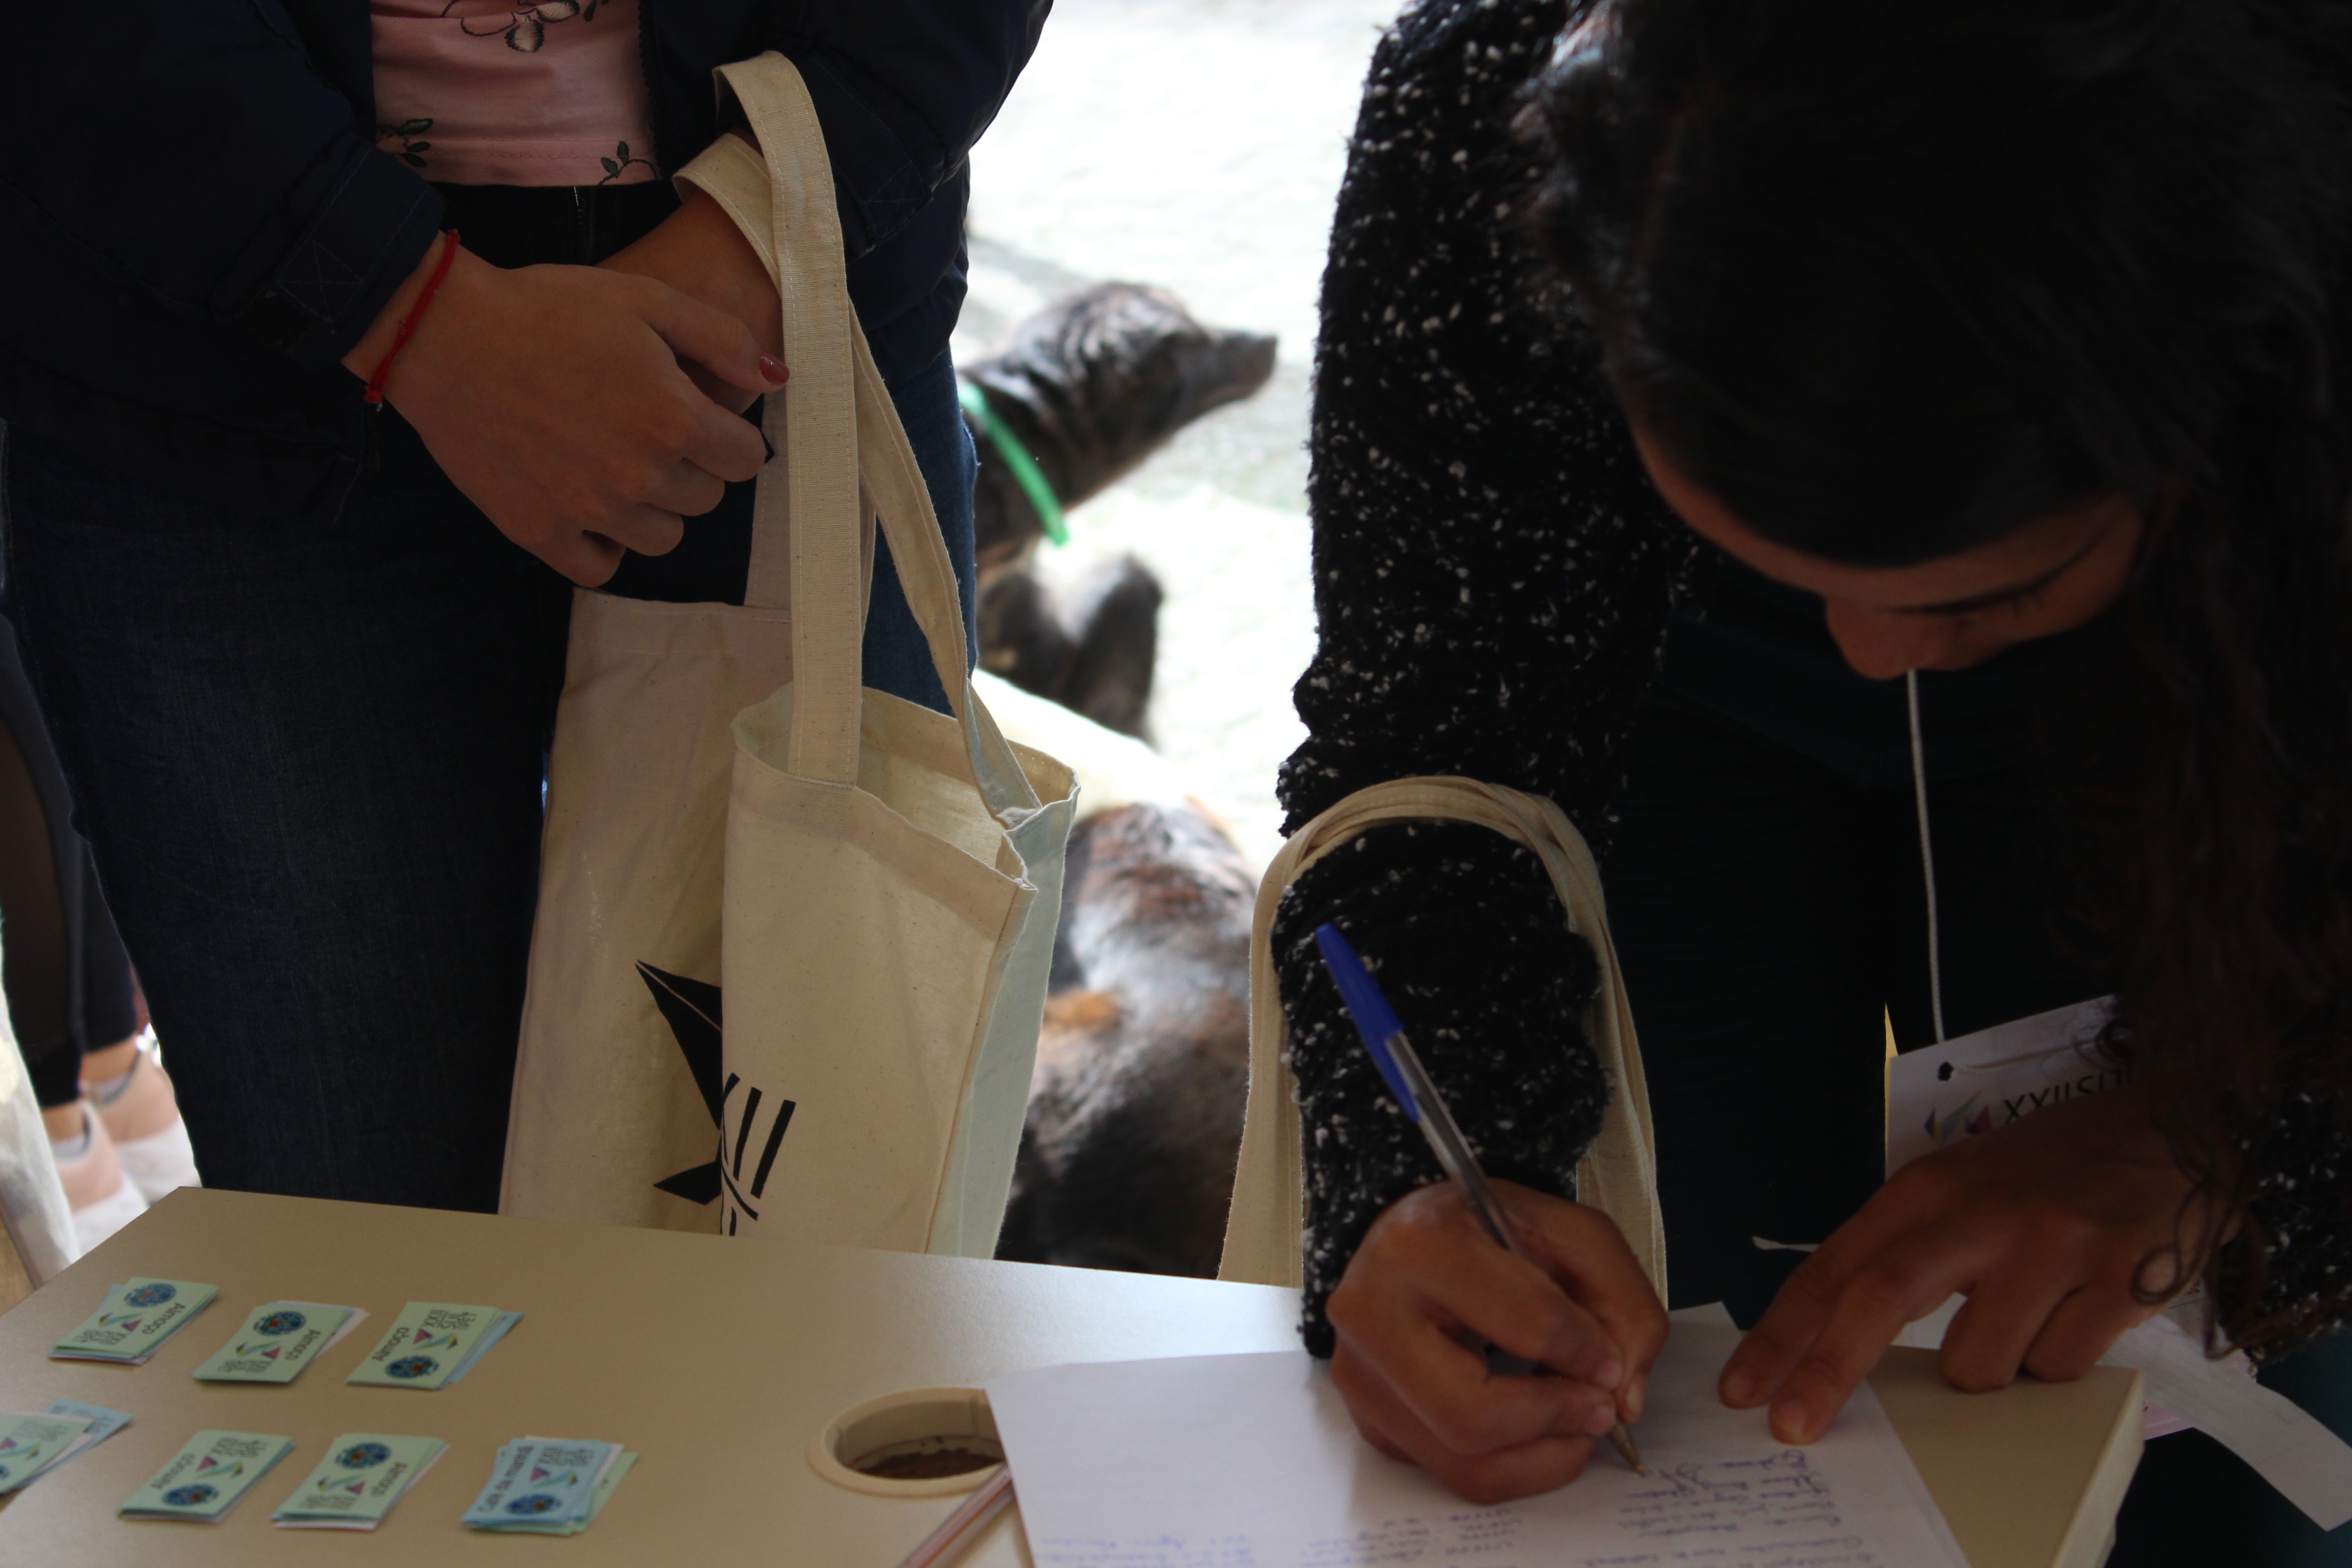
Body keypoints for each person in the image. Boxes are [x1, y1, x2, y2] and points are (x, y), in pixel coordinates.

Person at [1274, 0, 2352, 1558]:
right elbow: (1430, 738)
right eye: (1770, 541)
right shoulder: (1498, 105)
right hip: (1660, 678)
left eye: (1985, 591)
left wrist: (2257, 1144)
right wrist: (1419, 1183)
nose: (1868, 649)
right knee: (1676, 1323)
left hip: (2236, 669)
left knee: (2199, 1397)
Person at [0, 1, 1049, 1212]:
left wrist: (760, 227)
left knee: (815, 1232)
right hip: (219, 343)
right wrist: (405, 309)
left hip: (792, 299)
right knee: (368, 1248)